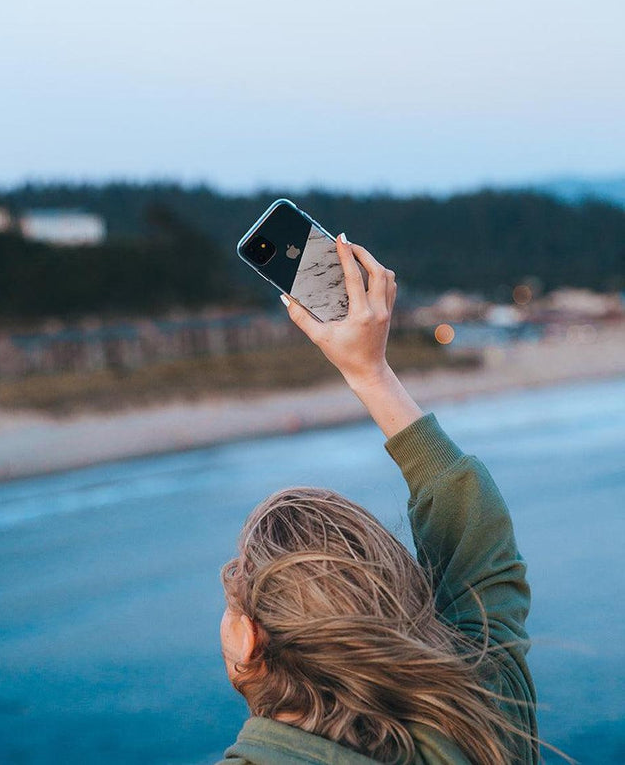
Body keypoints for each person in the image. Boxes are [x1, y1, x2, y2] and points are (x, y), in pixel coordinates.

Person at [215, 235, 553, 764]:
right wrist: (370, 371)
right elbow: (475, 525)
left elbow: (479, 532)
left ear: (248, 642)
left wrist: (367, 370)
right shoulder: (484, 705)